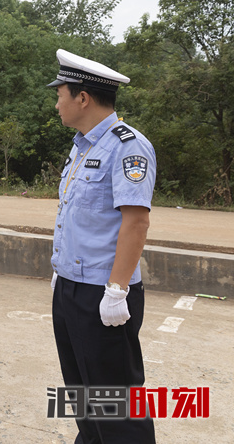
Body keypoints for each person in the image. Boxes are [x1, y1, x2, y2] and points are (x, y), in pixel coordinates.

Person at [48, 49, 157, 443]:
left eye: (60, 94)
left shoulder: (127, 146)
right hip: (71, 286)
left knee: (117, 404)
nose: (56, 103)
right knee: (83, 393)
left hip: (103, 291)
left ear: (82, 98)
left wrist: (116, 290)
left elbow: (136, 221)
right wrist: (60, 272)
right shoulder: (83, 146)